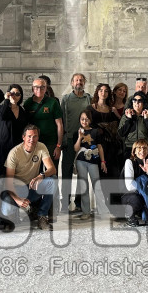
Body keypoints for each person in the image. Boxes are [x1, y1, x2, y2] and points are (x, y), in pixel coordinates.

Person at [2, 124, 57, 231]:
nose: (32, 139)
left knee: (52, 180)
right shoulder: (14, 153)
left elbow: (52, 169)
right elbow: (8, 183)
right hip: (16, 190)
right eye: (29, 136)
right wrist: (17, 200)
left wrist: (41, 176)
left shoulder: (41, 147)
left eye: (35, 136)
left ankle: (42, 216)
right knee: (7, 211)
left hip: (32, 188)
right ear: (23, 137)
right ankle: (13, 217)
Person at [60, 73, 91, 212]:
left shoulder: (89, 98)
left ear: (84, 83)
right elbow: (61, 120)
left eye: (81, 80)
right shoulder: (66, 99)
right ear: (72, 83)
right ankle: (65, 202)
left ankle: (79, 202)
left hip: (85, 140)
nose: (79, 82)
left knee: (82, 173)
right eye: (76, 80)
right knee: (66, 172)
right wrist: (62, 139)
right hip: (69, 139)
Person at [74, 111, 107, 220]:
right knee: (83, 186)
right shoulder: (77, 132)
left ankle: (102, 210)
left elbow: (100, 147)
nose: (84, 121)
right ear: (79, 119)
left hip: (93, 160)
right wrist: (79, 137)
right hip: (81, 161)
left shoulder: (95, 131)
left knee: (97, 185)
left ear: (90, 120)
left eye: (87, 119)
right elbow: (76, 149)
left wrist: (103, 162)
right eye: (82, 119)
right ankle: (86, 211)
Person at [121, 139, 148, 227]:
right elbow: (129, 186)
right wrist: (144, 187)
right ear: (134, 151)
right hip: (130, 194)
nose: (142, 150)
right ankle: (130, 215)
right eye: (139, 148)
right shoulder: (129, 162)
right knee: (137, 201)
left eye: (144, 148)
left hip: (146, 191)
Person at [23, 77, 63, 161]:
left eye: (42, 87)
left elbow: (59, 125)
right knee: (35, 171)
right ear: (32, 88)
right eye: (36, 87)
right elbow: (25, 125)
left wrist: (58, 146)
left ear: (46, 89)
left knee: (52, 170)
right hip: (34, 142)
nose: (39, 89)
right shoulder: (28, 103)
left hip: (51, 142)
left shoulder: (53, 102)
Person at [0, 84, 28, 153]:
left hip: (18, 145)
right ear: (8, 94)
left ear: (20, 96)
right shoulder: (1, 108)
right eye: (12, 93)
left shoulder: (22, 110)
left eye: (17, 94)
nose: (14, 96)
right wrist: (6, 100)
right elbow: (1, 116)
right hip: (3, 145)